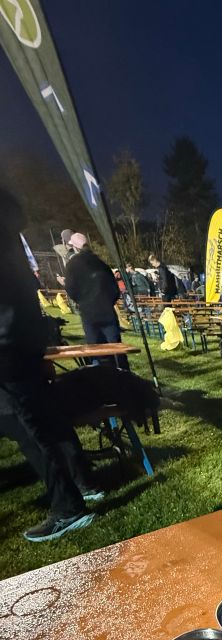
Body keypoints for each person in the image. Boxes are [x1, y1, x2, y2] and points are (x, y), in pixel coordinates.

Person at [0, 189, 97, 542]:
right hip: (21, 343)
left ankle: (69, 503)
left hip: (9, 348)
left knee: (30, 426)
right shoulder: (11, 239)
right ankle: (83, 483)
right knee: (43, 419)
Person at [63, 234, 129, 372]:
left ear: (74, 247)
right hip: (107, 311)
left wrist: (82, 301)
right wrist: (108, 301)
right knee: (116, 348)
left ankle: (100, 379)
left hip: (88, 313)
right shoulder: (101, 263)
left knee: (95, 350)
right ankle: (124, 377)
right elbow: (114, 288)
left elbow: (70, 288)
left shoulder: (72, 265)